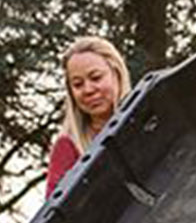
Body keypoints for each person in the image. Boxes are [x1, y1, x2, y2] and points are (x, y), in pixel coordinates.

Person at [46, 36, 132, 195]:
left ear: (117, 74)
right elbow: (56, 216)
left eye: (96, 78)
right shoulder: (68, 146)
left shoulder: (148, 124)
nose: (88, 90)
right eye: (78, 84)